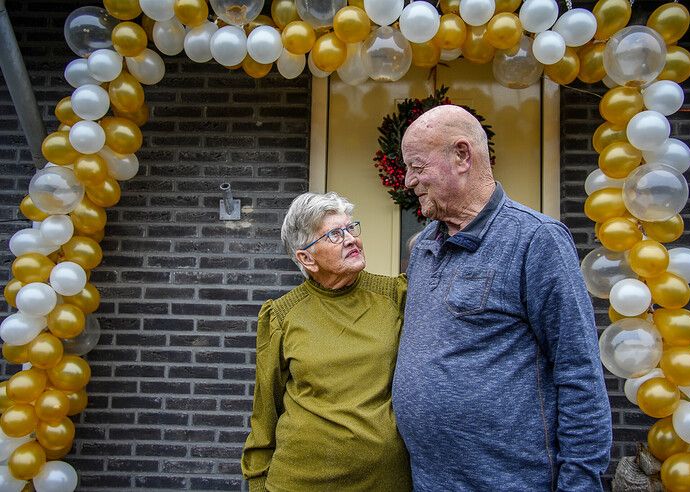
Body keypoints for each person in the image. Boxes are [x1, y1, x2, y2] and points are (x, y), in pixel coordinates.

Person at [392, 105, 612, 491]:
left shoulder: (536, 240)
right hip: (430, 481)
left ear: (462, 156)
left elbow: (578, 371)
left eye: (416, 165)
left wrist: (579, 482)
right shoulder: (425, 245)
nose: (409, 180)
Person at [241, 192, 412, 492]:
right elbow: (264, 408)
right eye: (334, 234)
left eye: (350, 228)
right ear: (306, 257)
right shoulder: (281, 315)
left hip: (384, 480)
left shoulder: (395, 296)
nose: (350, 239)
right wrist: (256, 482)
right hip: (298, 481)